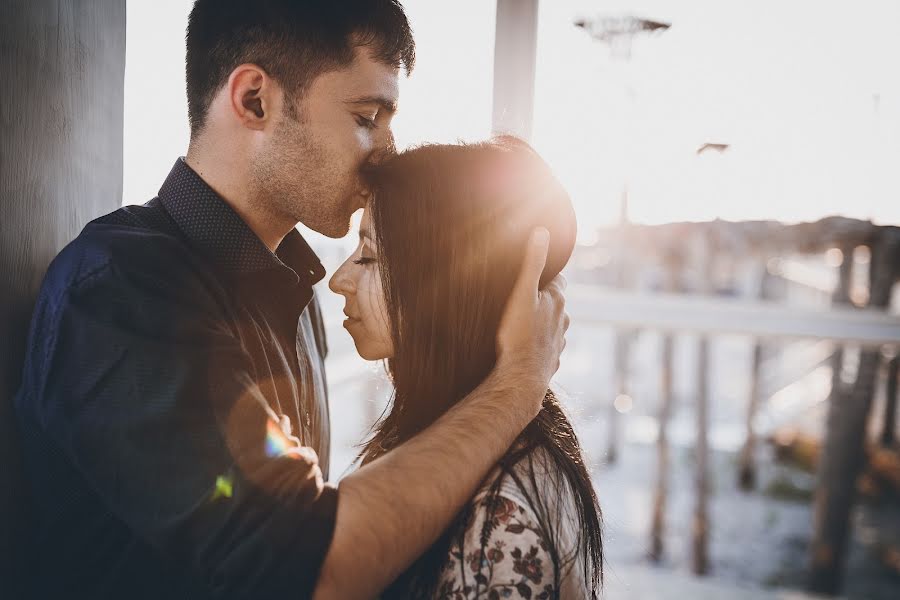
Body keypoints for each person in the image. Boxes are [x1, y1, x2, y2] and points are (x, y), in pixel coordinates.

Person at [12, 2, 568, 599]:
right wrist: (515, 385)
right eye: (367, 115)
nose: (386, 149)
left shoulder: (294, 293)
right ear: (254, 99)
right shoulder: (120, 290)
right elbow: (305, 568)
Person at [330, 138, 602, 599]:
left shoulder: (504, 514)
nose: (340, 280)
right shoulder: (454, 443)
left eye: (370, 256)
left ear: (448, 284)